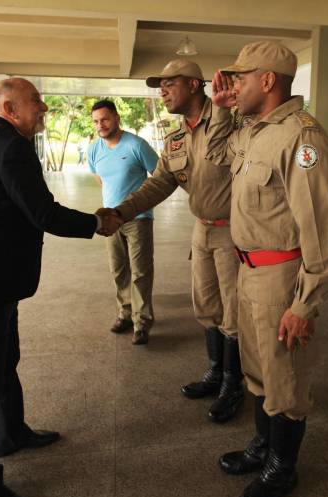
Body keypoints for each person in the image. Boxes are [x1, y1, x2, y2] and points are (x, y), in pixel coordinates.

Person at [0, 77, 121, 497]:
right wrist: (96, 223)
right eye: (35, 101)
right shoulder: (10, 148)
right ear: (10, 109)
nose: (43, 108)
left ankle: (10, 433)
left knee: (3, 359)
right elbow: (42, 212)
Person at [205, 40, 328, 497]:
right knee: (258, 372)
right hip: (248, 272)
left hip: (281, 278)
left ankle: (281, 469)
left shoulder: (302, 138)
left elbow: (322, 229)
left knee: (285, 380)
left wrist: (305, 303)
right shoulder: (253, 131)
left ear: (267, 80)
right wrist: (221, 109)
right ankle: (263, 448)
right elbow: (216, 153)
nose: (233, 85)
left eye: (240, 78)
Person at [101, 59, 244, 423]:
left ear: (194, 85)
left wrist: (225, 110)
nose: (162, 91)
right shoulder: (177, 138)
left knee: (234, 313)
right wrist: (120, 212)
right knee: (207, 306)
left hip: (233, 231)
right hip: (203, 229)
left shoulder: (231, 121)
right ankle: (216, 372)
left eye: (169, 83)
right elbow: (159, 183)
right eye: (160, 86)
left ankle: (234, 384)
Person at [89, 100, 159, 345]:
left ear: (117, 118)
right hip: (110, 221)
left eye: (105, 119)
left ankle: (142, 322)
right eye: (96, 121)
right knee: (118, 269)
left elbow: (159, 176)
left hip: (138, 218)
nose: (100, 125)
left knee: (140, 271)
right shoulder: (94, 149)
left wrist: (136, 200)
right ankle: (125, 314)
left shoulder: (136, 145)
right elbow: (100, 178)